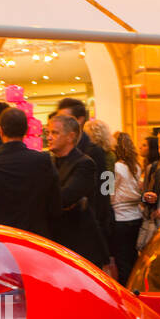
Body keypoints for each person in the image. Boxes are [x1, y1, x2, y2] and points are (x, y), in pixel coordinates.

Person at [0, 108, 58, 237]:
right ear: (26, 130)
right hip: (35, 241)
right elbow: (55, 206)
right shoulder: (44, 161)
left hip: (0, 241)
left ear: (0, 130)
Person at [45, 114, 108, 267]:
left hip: (80, 242)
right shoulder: (48, 162)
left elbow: (65, 198)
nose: (49, 137)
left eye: (55, 133)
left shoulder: (85, 163)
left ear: (70, 136)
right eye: (48, 133)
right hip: (56, 241)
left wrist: (47, 199)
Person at [56, 98, 113, 248]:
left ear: (80, 121)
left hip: (89, 226)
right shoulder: (60, 153)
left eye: (66, 118)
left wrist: (101, 223)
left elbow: (105, 189)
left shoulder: (95, 152)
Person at [111, 131, 145, 283]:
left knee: (123, 263)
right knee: (133, 259)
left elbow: (106, 191)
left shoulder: (114, 167)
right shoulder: (136, 166)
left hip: (120, 218)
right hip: (136, 216)